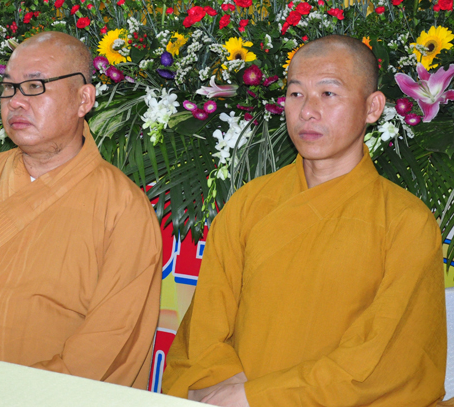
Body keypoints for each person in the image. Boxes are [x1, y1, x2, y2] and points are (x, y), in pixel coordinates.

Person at [162, 35, 446, 406]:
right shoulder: (250, 202)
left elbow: (386, 361)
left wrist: (258, 397)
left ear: (372, 107)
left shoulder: (407, 223)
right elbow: (204, 328)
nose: (307, 111)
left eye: (328, 94)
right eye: (296, 94)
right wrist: (224, 386)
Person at [0, 31, 162, 389]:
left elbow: (112, 341)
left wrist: (24, 392)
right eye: (8, 87)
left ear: (83, 99)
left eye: (35, 86)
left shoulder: (123, 207)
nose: (16, 102)